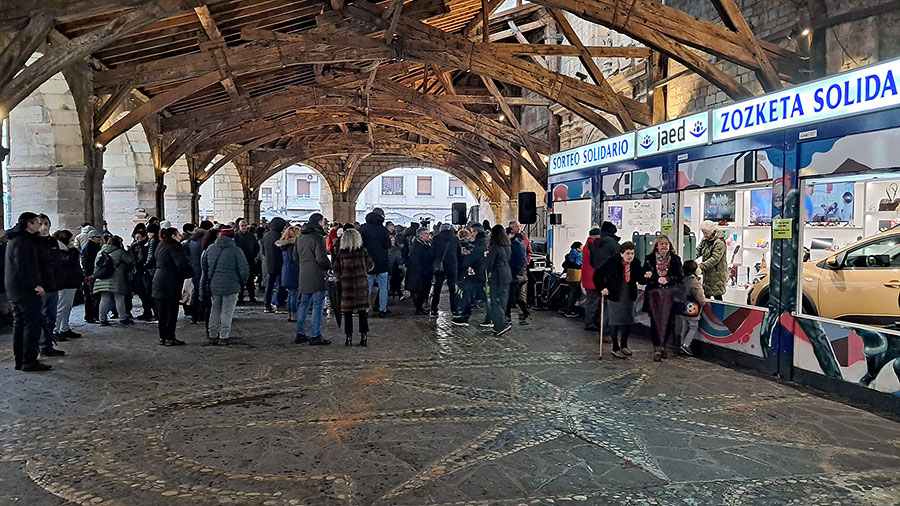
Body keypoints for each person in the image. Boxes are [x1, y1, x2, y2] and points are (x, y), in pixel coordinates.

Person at [6, 213, 52, 371]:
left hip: (16, 289)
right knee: (31, 325)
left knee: (20, 324)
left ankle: (20, 360)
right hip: (25, 290)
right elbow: (24, 265)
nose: (40, 226)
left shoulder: (17, 239)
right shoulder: (23, 241)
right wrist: (34, 285)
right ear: (29, 224)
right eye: (38, 223)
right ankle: (29, 360)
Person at [595, 242, 646, 359]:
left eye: (632, 253)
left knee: (627, 320)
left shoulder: (635, 263)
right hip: (614, 294)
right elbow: (598, 274)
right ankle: (615, 347)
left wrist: (646, 277)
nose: (630, 256)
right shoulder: (612, 262)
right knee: (615, 321)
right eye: (628, 253)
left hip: (628, 295)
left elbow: (640, 279)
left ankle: (624, 345)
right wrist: (602, 288)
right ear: (621, 254)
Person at [201, 227, 249, 346]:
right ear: (232, 237)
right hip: (232, 285)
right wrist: (242, 282)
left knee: (215, 309)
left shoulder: (210, 249)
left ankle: (212, 334)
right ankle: (224, 336)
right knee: (227, 311)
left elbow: (205, 268)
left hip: (214, 284)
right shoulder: (236, 251)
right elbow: (243, 270)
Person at [643, 235, 684, 362]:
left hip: (670, 294)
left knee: (668, 321)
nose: (664, 246)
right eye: (661, 244)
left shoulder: (675, 259)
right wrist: (649, 276)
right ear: (657, 246)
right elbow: (644, 275)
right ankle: (656, 348)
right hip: (653, 294)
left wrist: (668, 279)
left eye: (666, 244)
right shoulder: (649, 259)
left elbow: (680, 276)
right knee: (655, 322)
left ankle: (664, 345)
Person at [293, 213, 332, 345]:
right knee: (318, 305)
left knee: (303, 304)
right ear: (319, 222)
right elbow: (321, 258)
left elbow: (294, 257)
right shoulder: (318, 237)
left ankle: (300, 333)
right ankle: (315, 335)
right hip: (317, 274)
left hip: (303, 273)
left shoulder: (300, 237)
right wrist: (329, 266)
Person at [332, 228, 375, 346]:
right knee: (362, 312)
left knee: (347, 313)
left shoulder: (341, 253)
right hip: (361, 285)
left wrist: (341, 276)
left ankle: (349, 338)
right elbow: (370, 266)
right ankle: (364, 337)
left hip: (347, 286)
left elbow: (336, 270)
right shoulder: (363, 251)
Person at [152, 228, 192, 346]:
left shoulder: (161, 245)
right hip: (170, 281)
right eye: (178, 234)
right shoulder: (174, 246)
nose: (180, 235)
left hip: (158, 278)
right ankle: (170, 337)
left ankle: (162, 337)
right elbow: (181, 264)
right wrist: (189, 271)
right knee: (171, 311)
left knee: (162, 312)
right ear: (173, 235)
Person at [93, 235, 135, 327]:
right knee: (119, 299)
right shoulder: (120, 252)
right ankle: (122, 318)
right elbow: (130, 260)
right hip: (116, 279)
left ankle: (102, 319)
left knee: (104, 299)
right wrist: (129, 251)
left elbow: (96, 265)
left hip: (102, 278)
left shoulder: (101, 252)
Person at [586, 222, 620, 332]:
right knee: (606, 305)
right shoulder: (613, 244)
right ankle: (605, 329)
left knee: (594, 304)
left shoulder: (594, 245)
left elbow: (592, 263)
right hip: (608, 278)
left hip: (596, 277)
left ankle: (594, 324)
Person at [451, 224, 487, 326]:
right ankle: (490, 317)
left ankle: (464, 317)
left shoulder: (479, 244)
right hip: (480, 274)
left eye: (472, 232)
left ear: (476, 232)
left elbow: (474, 259)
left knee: (467, 294)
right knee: (481, 296)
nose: (470, 234)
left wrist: (465, 259)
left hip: (476, 274)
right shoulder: (482, 243)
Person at [360, 207, 392, 317]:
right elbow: (387, 245)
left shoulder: (364, 229)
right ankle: (383, 309)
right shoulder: (383, 230)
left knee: (367, 288)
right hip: (382, 262)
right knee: (383, 288)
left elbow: (361, 245)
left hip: (368, 262)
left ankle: (365, 310)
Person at [52, 230, 83, 340]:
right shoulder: (59, 251)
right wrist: (74, 251)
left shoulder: (65, 250)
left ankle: (64, 328)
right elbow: (68, 262)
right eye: (71, 240)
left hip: (70, 282)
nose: (72, 243)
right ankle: (55, 330)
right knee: (61, 307)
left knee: (67, 307)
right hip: (64, 283)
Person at [485, 225, 512, 335]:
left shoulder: (495, 247)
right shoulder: (507, 246)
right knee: (503, 300)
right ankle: (499, 325)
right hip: (507, 274)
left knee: (495, 301)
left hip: (497, 276)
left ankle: (500, 325)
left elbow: (490, 262)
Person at [430, 223, 461, 316]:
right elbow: (458, 253)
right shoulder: (455, 238)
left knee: (437, 287)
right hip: (452, 266)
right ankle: (454, 309)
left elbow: (432, 253)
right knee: (452, 288)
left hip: (440, 266)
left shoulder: (436, 239)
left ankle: (434, 309)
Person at [678, 260, 706, 356]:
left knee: (685, 326)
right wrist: (703, 302)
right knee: (693, 327)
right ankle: (686, 345)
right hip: (692, 309)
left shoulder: (682, 280)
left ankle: (682, 343)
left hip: (683, 308)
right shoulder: (694, 283)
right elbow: (700, 298)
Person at [261, 217, 287, 313]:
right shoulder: (280, 236)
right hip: (280, 263)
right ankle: (279, 304)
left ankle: (267, 305)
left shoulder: (266, 236)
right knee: (281, 285)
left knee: (269, 285)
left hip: (269, 263)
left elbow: (263, 251)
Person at [405, 227, 433, 315]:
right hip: (418, 273)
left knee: (424, 291)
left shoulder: (426, 244)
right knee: (418, 291)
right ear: (420, 236)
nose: (428, 235)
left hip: (425, 272)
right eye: (426, 234)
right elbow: (416, 261)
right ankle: (418, 308)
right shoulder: (417, 247)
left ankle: (421, 308)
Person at [697, 220, 727, 301]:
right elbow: (698, 250)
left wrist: (699, 267)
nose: (704, 235)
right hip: (707, 274)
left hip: (717, 275)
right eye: (703, 233)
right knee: (706, 297)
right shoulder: (705, 240)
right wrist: (691, 256)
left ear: (712, 231)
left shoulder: (719, 242)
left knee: (717, 297)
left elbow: (715, 259)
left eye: (706, 233)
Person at [187, 222, 210, 323]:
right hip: (202, 270)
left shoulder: (190, 242)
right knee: (203, 293)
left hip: (193, 269)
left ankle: (194, 315)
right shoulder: (204, 243)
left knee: (194, 293)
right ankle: (201, 314)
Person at [277, 225, 301, 322]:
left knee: (290, 294)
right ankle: (294, 314)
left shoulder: (284, 246)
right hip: (294, 270)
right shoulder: (293, 246)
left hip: (286, 270)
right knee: (294, 293)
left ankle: (290, 314)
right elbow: (295, 259)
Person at [506, 228, 530, 325]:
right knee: (513, 296)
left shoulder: (517, 245)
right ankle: (523, 313)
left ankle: (510, 316)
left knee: (513, 296)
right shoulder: (512, 244)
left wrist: (519, 273)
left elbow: (522, 260)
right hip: (513, 273)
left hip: (516, 274)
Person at [131, 226, 154, 321]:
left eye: (139, 238)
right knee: (142, 293)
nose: (137, 240)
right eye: (136, 238)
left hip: (145, 272)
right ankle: (147, 311)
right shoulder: (135, 246)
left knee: (147, 293)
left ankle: (151, 311)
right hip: (138, 272)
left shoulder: (147, 246)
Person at [234, 218, 259, 304]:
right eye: (242, 226)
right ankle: (240, 297)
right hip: (239, 261)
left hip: (249, 260)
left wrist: (253, 255)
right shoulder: (235, 237)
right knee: (240, 280)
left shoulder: (251, 236)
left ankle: (252, 296)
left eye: (245, 226)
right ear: (239, 226)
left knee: (250, 279)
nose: (244, 227)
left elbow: (257, 247)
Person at [81, 230, 103, 323]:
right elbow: (89, 262)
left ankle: (94, 315)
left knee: (94, 296)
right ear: (92, 238)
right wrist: (92, 274)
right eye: (98, 237)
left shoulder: (92, 246)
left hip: (91, 273)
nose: (99, 239)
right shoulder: (89, 247)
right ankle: (90, 316)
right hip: (90, 274)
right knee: (91, 297)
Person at [564, 241, 583, 317]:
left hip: (570, 274)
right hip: (576, 274)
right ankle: (569, 311)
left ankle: (566, 308)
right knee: (574, 293)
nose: (582, 247)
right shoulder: (580, 255)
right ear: (578, 248)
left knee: (571, 292)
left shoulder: (570, 254)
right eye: (581, 246)